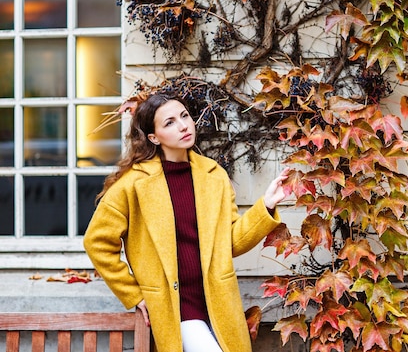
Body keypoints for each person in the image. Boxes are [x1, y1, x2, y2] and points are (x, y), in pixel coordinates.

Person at [83, 93, 290, 352]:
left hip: (219, 302)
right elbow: (97, 242)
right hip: (175, 307)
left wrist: (267, 205)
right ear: (153, 137)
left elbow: (229, 243)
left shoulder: (213, 175)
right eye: (169, 122)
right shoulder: (133, 184)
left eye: (184, 116)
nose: (183, 126)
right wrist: (133, 294)